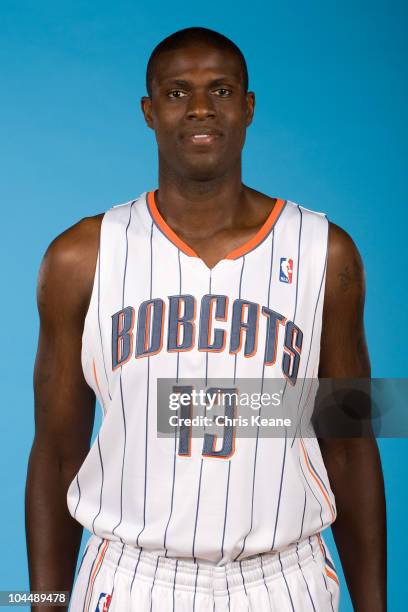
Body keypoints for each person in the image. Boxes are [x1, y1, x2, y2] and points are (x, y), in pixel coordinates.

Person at [25, 26, 386, 612]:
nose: (199, 108)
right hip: (132, 574)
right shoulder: (80, 258)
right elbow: (57, 451)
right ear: (148, 111)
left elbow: (349, 440)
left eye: (219, 91)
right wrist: (43, 602)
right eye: (176, 92)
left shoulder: (326, 252)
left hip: (283, 577)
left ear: (247, 108)